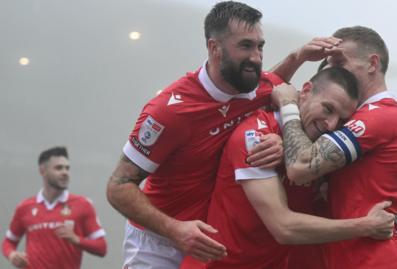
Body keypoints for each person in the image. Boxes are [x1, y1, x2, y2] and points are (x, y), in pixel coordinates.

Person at [105, 1, 340, 268]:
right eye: (245, 46)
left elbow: (271, 86)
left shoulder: (253, 84)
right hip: (158, 241)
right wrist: (175, 230)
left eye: (260, 46)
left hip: (207, 240)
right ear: (214, 48)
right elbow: (118, 187)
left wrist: (282, 139)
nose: (256, 57)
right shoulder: (168, 111)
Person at [205, 66, 395, 269]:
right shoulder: (258, 137)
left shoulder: (323, 150)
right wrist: (365, 226)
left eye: (341, 120)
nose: (331, 125)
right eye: (328, 109)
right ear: (305, 92)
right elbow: (283, 228)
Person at [272, 26, 397, 269]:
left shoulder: (381, 116)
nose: (332, 69)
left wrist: (288, 105)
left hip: (372, 260)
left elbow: (301, 166)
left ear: (372, 63)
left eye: (340, 61)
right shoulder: (365, 117)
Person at [2, 146, 107, 269]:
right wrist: (12, 254)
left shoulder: (83, 205)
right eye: (58, 168)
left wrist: (76, 239)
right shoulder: (25, 207)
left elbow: (102, 248)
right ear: (42, 171)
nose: (65, 172)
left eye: (67, 168)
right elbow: (8, 242)